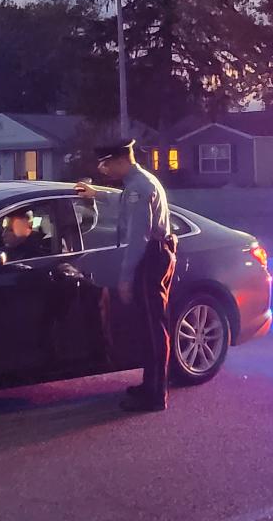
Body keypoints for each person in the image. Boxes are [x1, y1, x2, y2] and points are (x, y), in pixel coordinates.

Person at [75, 139, 177, 412]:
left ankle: (155, 395)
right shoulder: (139, 183)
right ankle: (150, 385)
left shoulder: (139, 188)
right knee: (149, 326)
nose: (103, 169)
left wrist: (125, 278)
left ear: (121, 160)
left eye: (106, 164)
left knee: (154, 329)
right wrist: (96, 193)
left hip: (150, 259)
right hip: (155, 254)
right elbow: (122, 200)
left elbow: (137, 239)